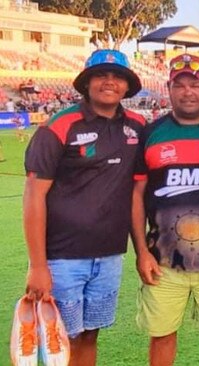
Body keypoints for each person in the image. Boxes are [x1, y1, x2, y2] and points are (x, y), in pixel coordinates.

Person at [22, 49, 145, 366]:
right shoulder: (58, 127)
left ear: (127, 85)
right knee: (56, 340)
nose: (110, 82)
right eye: (101, 75)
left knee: (90, 335)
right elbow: (34, 196)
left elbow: (137, 189)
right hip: (62, 258)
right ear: (87, 82)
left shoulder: (137, 126)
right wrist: (38, 265)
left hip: (109, 256)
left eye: (117, 76)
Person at [132, 54, 199, 366]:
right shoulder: (151, 133)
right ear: (168, 89)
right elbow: (137, 196)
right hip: (163, 261)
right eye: (179, 85)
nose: (188, 91)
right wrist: (142, 251)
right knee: (162, 334)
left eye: (196, 84)